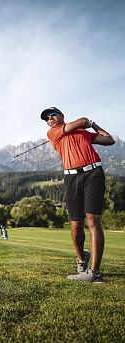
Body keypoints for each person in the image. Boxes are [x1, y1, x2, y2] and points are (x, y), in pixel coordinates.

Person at [41, 107, 115, 283]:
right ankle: (81, 259)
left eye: (53, 115)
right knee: (76, 225)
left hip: (93, 173)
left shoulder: (83, 133)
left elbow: (109, 139)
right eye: (47, 118)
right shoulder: (53, 133)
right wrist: (88, 122)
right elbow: (82, 120)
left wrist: (94, 125)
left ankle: (94, 273)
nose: (50, 119)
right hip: (71, 177)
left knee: (93, 220)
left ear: (61, 116)